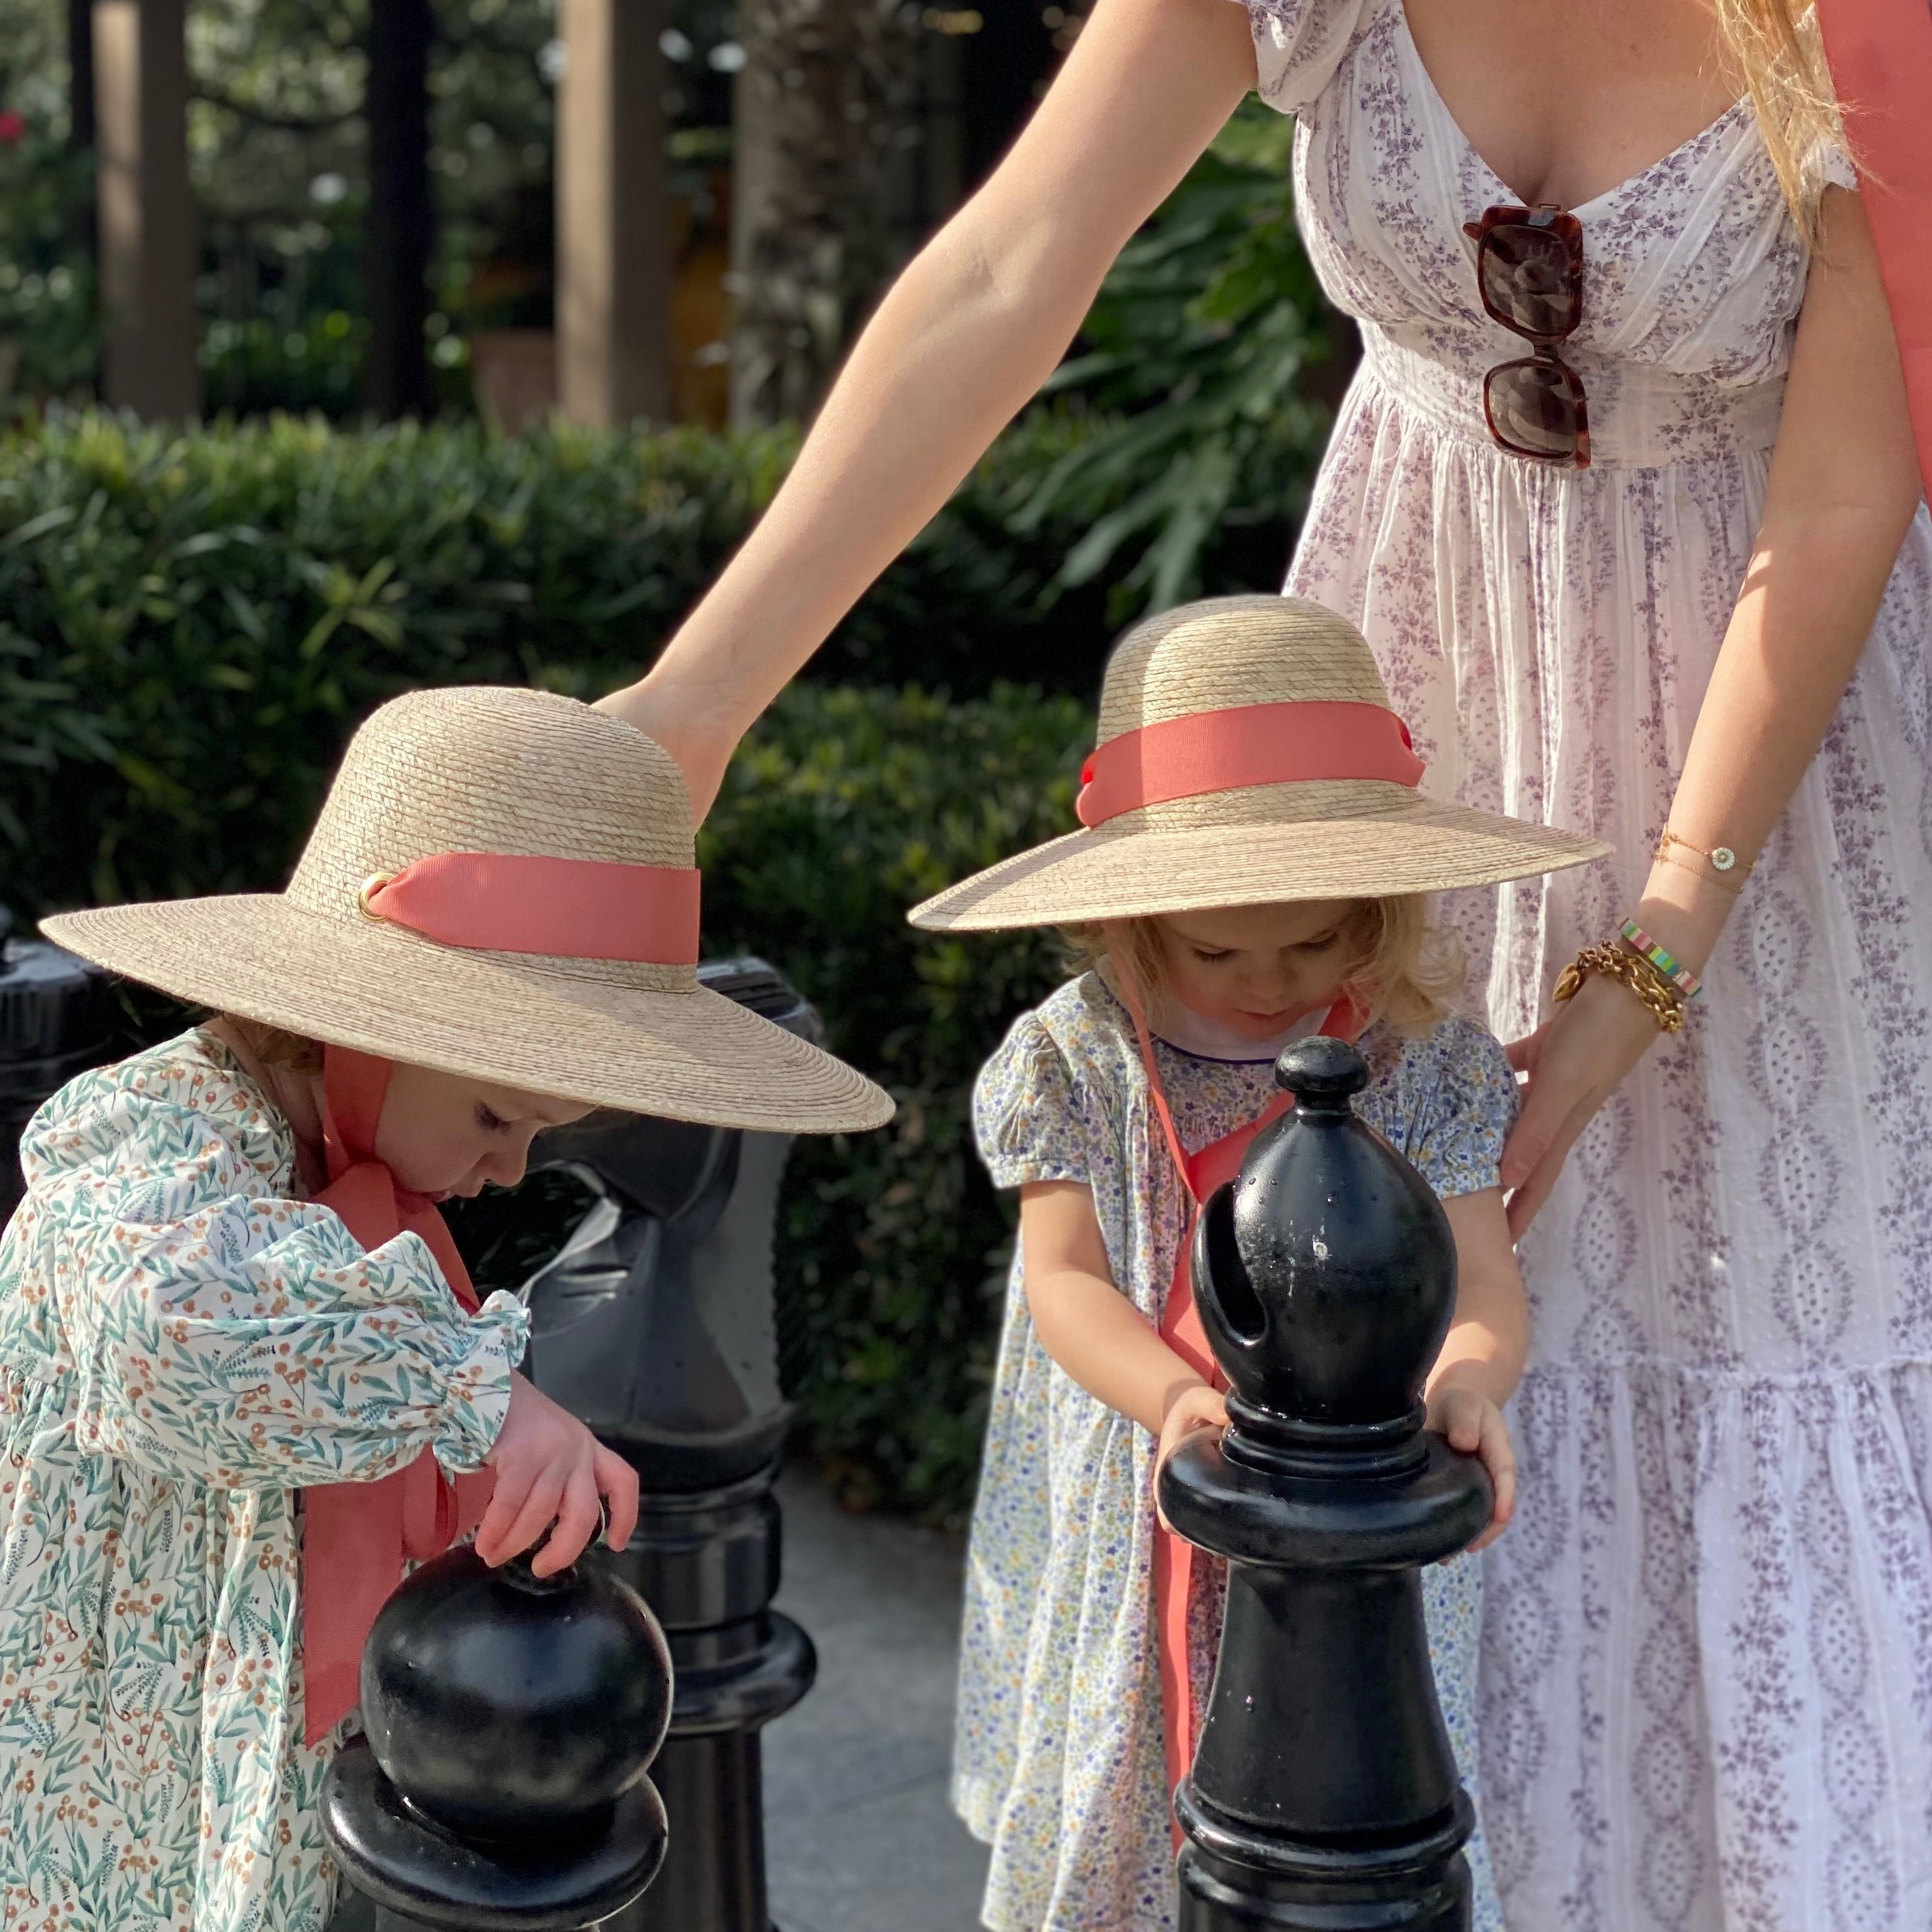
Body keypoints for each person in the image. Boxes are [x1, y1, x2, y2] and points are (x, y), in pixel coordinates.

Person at [597, 0, 1932, 1918]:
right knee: (1314, 1381)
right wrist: (694, 710)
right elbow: (1007, 262)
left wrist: (1647, 956)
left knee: (1738, 1366)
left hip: (1769, 806)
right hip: (1385, 759)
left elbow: (1836, 500)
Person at [0, 685, 891, 1932]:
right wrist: (470, 1389)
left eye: (538, 1129)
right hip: (113, 1788)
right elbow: (164, 1335)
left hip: (237, 1768)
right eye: (493, 1114)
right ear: (355, 1026)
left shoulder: (338, 1172)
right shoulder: (157, 1135)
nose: (512, 1169)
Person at [907, 593, 1610, 1931]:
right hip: (1151, 1472)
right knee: (1142, 1766)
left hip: (1354, 1491)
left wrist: (1471, 1377)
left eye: (1312, 942)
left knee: (1352, 1803)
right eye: (1217, 948)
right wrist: (1169, 1398)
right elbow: (1064, 1278)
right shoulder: (1079, 1057)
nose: (1266, 980)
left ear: (1377, 909)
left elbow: (1482, 1271)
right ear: (1138, 918)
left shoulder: (1422, 1059)